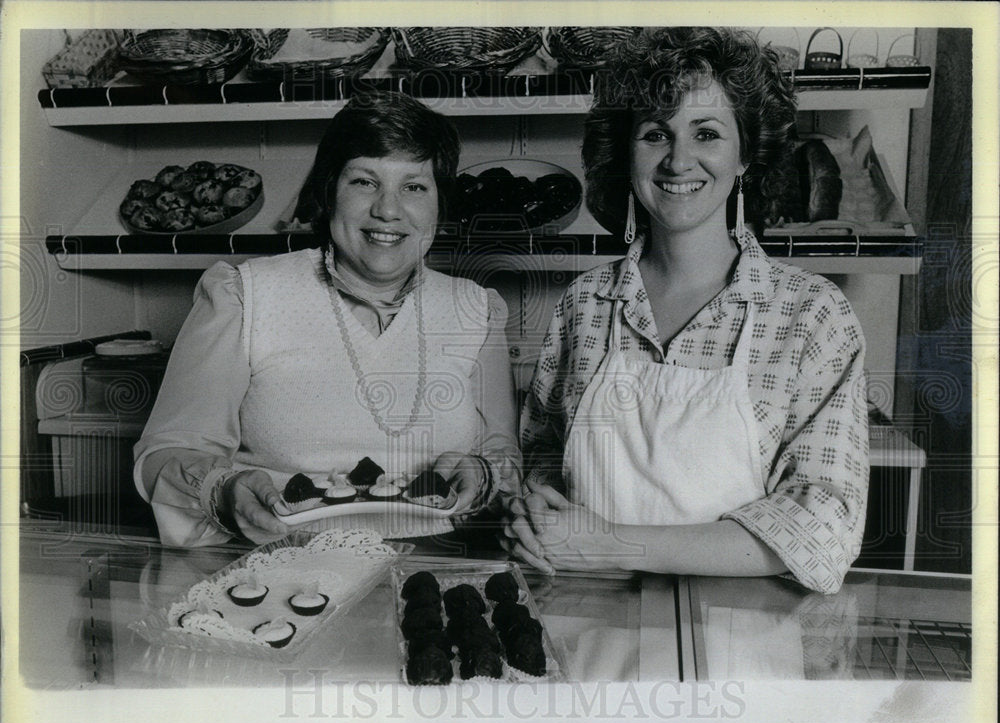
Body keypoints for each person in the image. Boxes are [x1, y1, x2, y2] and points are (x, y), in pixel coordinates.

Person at [507, 27, 869, 594]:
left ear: (746, 154)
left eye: (707, 133)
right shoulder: (585, 305)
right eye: (656, 133)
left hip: (740, 646)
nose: (679, 160)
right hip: (587, 631)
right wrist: (536, 514)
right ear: (626, 152)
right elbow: (545, 458)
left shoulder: (811, 315)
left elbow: (822, 523)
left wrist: (614, 543)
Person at [135, 91, 521, 547]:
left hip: (438, 571)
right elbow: (165, 455)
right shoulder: (244, 295)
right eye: (364, 182)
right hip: (278, 569)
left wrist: (483, 474)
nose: (388, 210)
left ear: (439, 203)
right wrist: (222, 491)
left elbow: (504, 457)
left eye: (414, 186)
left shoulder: (476, 309)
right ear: (328, 190)